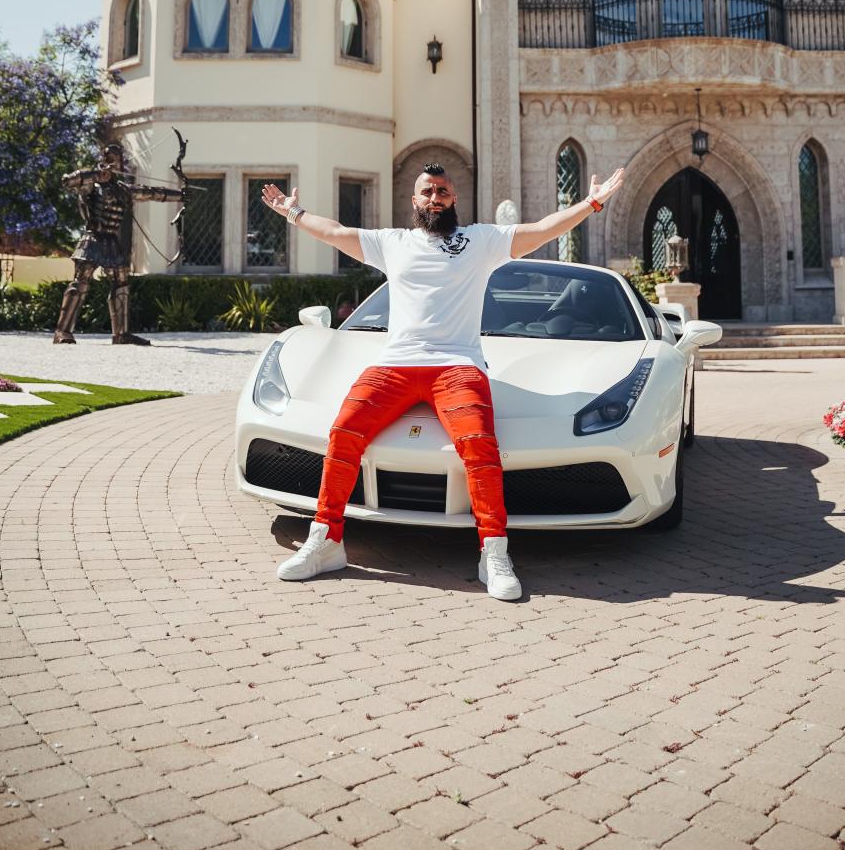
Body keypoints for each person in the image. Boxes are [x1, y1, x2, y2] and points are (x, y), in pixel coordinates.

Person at [261, 159, 624, 601]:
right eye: (428, 192)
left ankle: (493, 552)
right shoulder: (391, 243)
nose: (436, 198)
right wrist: (293, 214)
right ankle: (327, 542)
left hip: (457, 366)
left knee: (478, 446)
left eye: (443, 192)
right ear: (414, 201)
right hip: (395, 365)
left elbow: (542, 229)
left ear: (455, 199)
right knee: (343, 432)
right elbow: (335, 232)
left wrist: (591, 202)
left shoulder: (481, 241)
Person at [53, 144, 183, 345]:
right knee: (80, 282)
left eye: (116, 160)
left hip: (111, 241)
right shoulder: (91, 185)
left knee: (121, 282)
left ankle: (121, 334)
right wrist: (96, 173)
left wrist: (181, 195)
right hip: (92, 239)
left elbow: (153, 193)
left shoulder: (123, 190)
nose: (113, 163)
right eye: (109, 159)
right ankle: (63, 332)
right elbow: (68, 181)